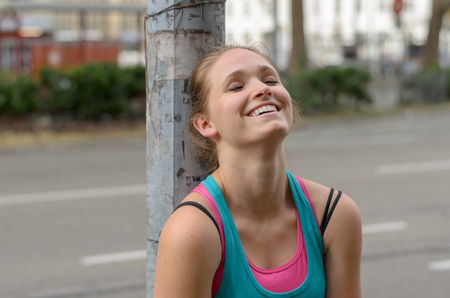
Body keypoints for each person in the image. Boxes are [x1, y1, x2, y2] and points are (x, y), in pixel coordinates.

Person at [154, 45, 362, 297]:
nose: (263, 89)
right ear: (206, 123)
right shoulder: (191, 232)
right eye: (236, 86)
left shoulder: (334, 215)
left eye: (270, 80)